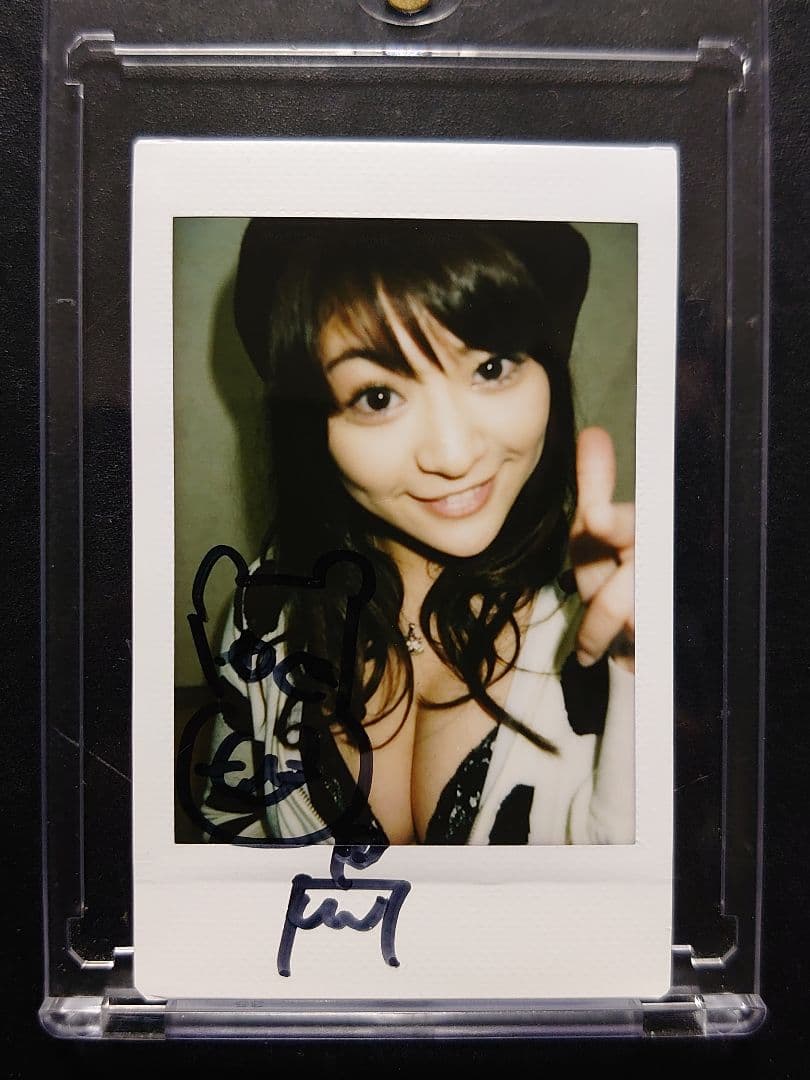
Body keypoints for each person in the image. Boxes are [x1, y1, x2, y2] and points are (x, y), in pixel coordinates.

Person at [197, 218, 635, 846]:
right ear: (311, 427)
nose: (454, 455)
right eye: (377, 397)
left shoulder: (615, 618)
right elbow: (229, 831)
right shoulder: (267, 607)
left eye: (490, 367)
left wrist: (647, 682)